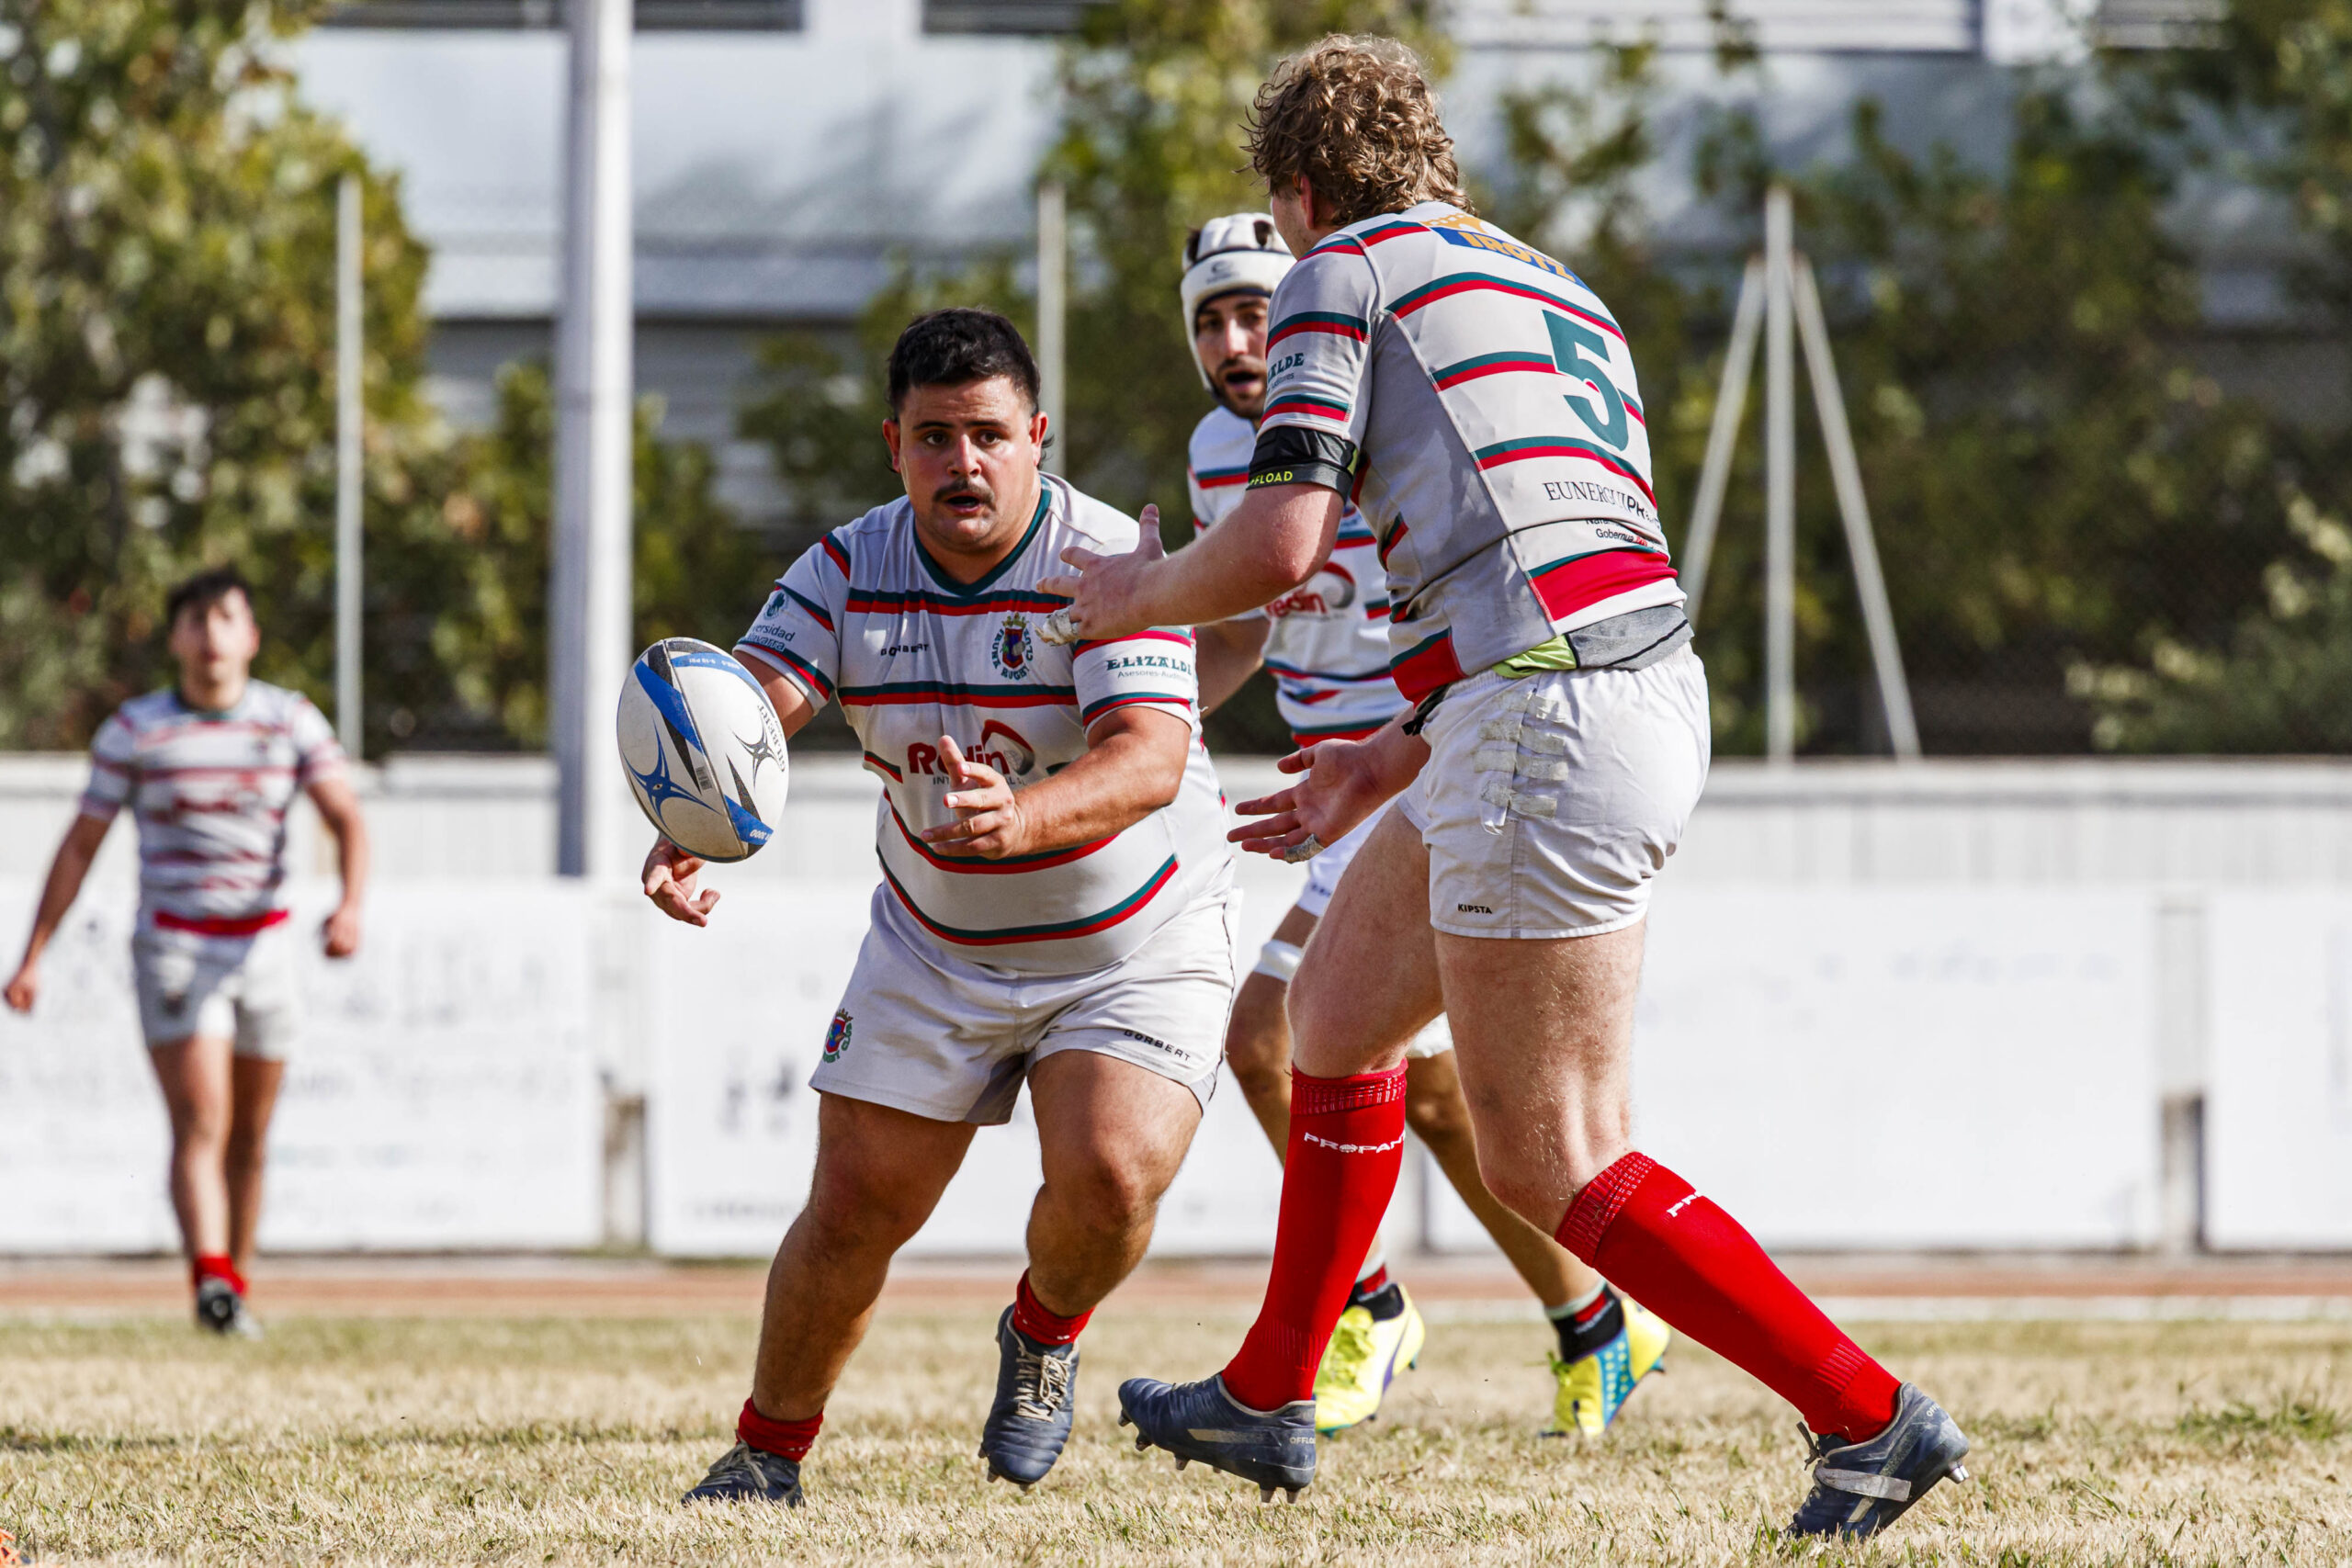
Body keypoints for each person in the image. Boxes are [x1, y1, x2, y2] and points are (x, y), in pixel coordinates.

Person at [1044, 37, 1970, 1538]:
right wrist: (1389, 753)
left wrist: (1128, 592)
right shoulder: (1556, 285)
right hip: (1595, 693)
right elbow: (1553, 555)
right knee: (1334, 1021)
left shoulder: (1341, 272)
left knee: (1553, 1152)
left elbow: (1280, 549)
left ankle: (1868, 1417)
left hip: (1545, 719)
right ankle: (1277, 1388)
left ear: (1295, 190)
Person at [654, 308, 1237, 1508]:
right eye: (933, 438)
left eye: (985, 434)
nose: (961, 464)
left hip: (1130, 939)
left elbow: (1149, 759)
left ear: (1035, 435)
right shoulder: (847, 563)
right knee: (856, 1206)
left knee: (1112, 1174)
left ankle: (1045, 1330)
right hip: (937, 940)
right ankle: (766, 1450)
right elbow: (758, 704)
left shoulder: (1107, 558)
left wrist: (1020, 818)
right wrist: (694, 804)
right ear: (895, 443)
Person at [1180, 212, 1667, 1438]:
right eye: (1209, 319)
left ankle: (1367, 1307)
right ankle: (1599, 1324)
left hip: (1424, 759)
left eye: (1256, 308)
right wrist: (1145, 708)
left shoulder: (1371, 399)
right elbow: (1251, 619)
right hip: (1345, 779)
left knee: (1270, 1039)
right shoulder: (1212, 451)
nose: (1238, 340)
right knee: (1443, 1100)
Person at [5, 567, 369, 1337]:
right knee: (203, 1118)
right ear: (174, 638)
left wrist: (350, 903)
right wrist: (35, 952)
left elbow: (346, 818)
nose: (210, 636)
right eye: (195, 621)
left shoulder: (288, 719)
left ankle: (231, 1288)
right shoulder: (137, 730)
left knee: (251, 1135)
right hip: (175, 946)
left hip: (263, 944)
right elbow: (80, 846)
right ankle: (212, 1278)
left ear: (251, 636)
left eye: (225, 619)